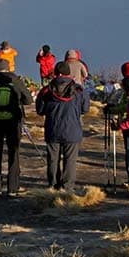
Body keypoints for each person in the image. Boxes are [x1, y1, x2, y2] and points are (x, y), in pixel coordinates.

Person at [0, 57, 34, 198]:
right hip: (13, 121)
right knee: (13, 154)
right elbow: (29, 100)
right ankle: (12, 188)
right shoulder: (15, 80)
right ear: (8, 67)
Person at [35, 61, 91, 191]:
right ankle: (67, 188)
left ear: (56, 73)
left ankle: (53, 185)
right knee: (70, 161)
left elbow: (40, 110)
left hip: (52, 129)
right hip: (73, 130)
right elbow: (85, 109)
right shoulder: (79, 90)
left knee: (53, 160)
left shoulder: (46, 91)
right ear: (68, 73)